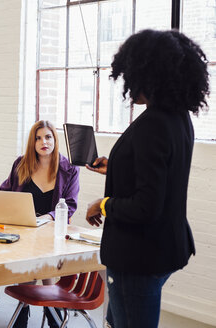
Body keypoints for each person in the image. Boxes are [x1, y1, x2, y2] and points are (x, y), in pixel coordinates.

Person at [85, 29, 209, 328]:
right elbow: (164, 174)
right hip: (165, 246)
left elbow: (146, 206)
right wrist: (115, 166)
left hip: (138, 255)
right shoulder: (178, 118)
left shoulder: (151, 124)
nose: (128, 84)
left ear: (148, 75)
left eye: (131, 74)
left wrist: (103, 205)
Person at [1, 120, 80, 328]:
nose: (43, 142)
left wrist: (46, 218)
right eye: (38, 138)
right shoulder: (21, 164)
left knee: (42, 263)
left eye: (48, 137)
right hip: (23, 233)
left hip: (52, 233)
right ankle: (35, 312)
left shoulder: (69, 169)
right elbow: (5, 192)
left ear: (55, 139)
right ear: (32, 142)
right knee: (32, 266)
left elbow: (70, 205)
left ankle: (38, 311)